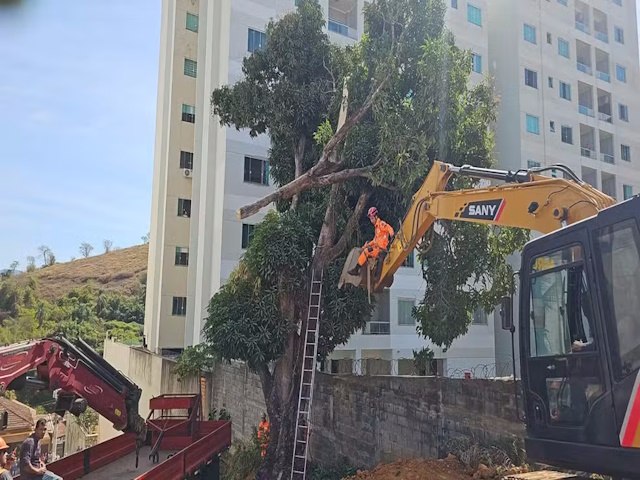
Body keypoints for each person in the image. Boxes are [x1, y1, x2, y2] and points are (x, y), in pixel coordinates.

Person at [347, 207, 394, 276]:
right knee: (366, 250)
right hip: (377, 250)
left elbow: (389, 228)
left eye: (372, 218)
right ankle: (358, 269)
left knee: (367, 251)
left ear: (376, 216)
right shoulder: (377, 228)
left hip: (382, 250)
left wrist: (392, 235)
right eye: (370, 219)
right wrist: (366, 245)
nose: (371, 220)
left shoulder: (381, 224)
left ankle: (356, 269)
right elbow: (374, 241)